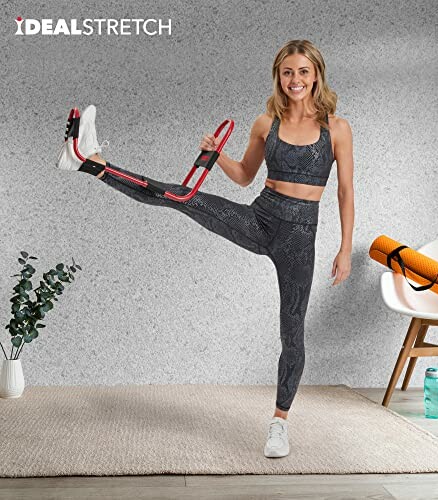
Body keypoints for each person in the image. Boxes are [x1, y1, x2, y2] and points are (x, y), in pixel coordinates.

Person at [56, 39, 354, 458]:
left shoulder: (336, 128)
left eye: (303, 71)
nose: (295, 80)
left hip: (300, 239)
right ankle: (90, 162)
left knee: (292, 331)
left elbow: (344, 190)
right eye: (288, 72)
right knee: (181, 197)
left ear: (317, 74)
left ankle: (279, 424)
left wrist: (344, 248)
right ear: (278, 76)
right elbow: (246, 177)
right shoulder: (265, 123)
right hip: (259, 219)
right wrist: (218, 156)